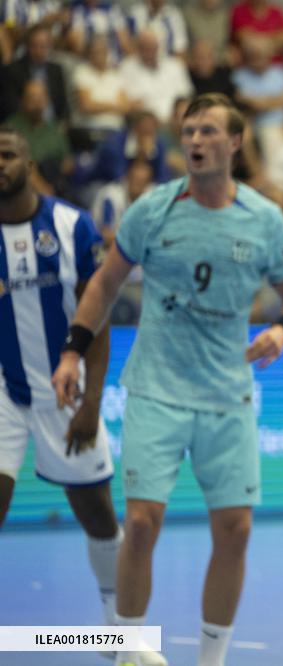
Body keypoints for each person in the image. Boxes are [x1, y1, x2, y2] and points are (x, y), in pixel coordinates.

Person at [51, 93, 283, 666]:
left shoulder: (265, 219)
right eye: (188, 131)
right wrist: (71, 353)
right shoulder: (152, 209)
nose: (195, 141)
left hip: (227, 394)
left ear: (235, 142)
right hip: (156, 389)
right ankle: (125, 649)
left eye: (209, 131)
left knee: (237, 531)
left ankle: (210, 660)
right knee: (141, 524)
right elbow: (103, 285)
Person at [0, 125, 122, 650]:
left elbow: (97, 317)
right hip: (4, 392)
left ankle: (121, 633)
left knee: (97, 516)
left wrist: (92, 402)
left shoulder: (72, 227)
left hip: (66, 392)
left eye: (5, 154)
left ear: (28, 165)